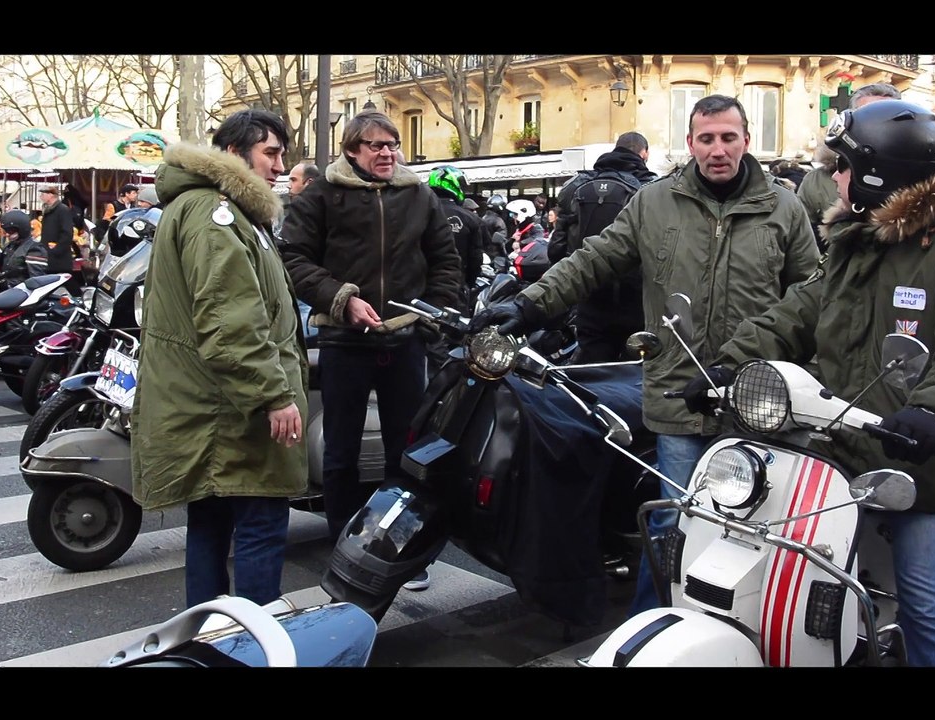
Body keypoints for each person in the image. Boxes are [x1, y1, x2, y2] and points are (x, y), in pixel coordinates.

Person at [681, 99, 935, 666]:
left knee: (924, 602)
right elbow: (800, 311)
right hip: (842, 457)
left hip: (924, 467)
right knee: (803, 585)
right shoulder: (856, 242)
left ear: (877, 174)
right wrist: (730, 364)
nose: (834, 177)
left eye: (842, 166)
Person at [468, 94, 819, 616]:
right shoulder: (654, 201)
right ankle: (653, 628)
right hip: (679, 395)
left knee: (751, 525)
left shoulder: (783, 208)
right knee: (672, 521)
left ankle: (737, 631)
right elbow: (593, 259)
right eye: (706, 138)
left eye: (728, 137)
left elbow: (811, 293)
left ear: (746, 141)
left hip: (753, 399)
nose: (717, 149)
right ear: (690, 143)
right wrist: (529, 305)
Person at [131, 108, 309, 608]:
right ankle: (251, 645)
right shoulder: (216, 213)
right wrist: (275, 395)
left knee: (210, 527)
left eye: (281, 155)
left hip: (215, 408)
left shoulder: (210, 207)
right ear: (234, 153)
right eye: (270, 153)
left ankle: (208, 640)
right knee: (259, 524)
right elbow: (231, 321)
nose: (279, 166)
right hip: (231, 414)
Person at [279, 110, 462, 592]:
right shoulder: (321, 195)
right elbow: (293, 257)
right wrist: (342, 299)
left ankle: (402, 553)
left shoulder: (419, 195)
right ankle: (344, 548)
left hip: (404, 340)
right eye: (375, 145)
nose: (386, 152)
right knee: (340, 453)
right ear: (352, 151)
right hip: (344, 341)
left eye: (392, 144)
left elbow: (445, 260)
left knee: (407, 454)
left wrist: (430, 310)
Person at [550, 131, 658, 363]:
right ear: (644, 153)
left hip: (590, 299)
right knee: (633, 377)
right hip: (636, 303)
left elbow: (556, 250)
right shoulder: (651, 188)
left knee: (591, 371)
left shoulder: (575, 186)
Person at [798, 83, 901, 253]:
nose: (874, 129)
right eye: (866, 118)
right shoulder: (817, 180)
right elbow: (804, 246)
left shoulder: (920, 180)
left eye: (884, 119)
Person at [427, 165, 488, 302]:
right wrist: (468, 284)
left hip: (420, 289)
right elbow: (476, 258)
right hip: (455, 288)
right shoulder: (471, 219)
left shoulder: (416, 212)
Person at [37, 185, 76, 285]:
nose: (41, 196)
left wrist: (56, 249)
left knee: (67, 281)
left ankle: (80, 298)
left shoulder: (62, 210)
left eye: (43, 194)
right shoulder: (48, 210)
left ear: (51, 195)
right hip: (48, 255)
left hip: (59, 256)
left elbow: (67, 233)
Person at [0, 209, 45, 284]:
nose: (7, 234)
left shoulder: (34, 249)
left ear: (22, 229)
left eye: (10, 231)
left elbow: (37, 280)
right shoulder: (10, 246)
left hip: (21, 292)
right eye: (5, 231)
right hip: (7, 290)